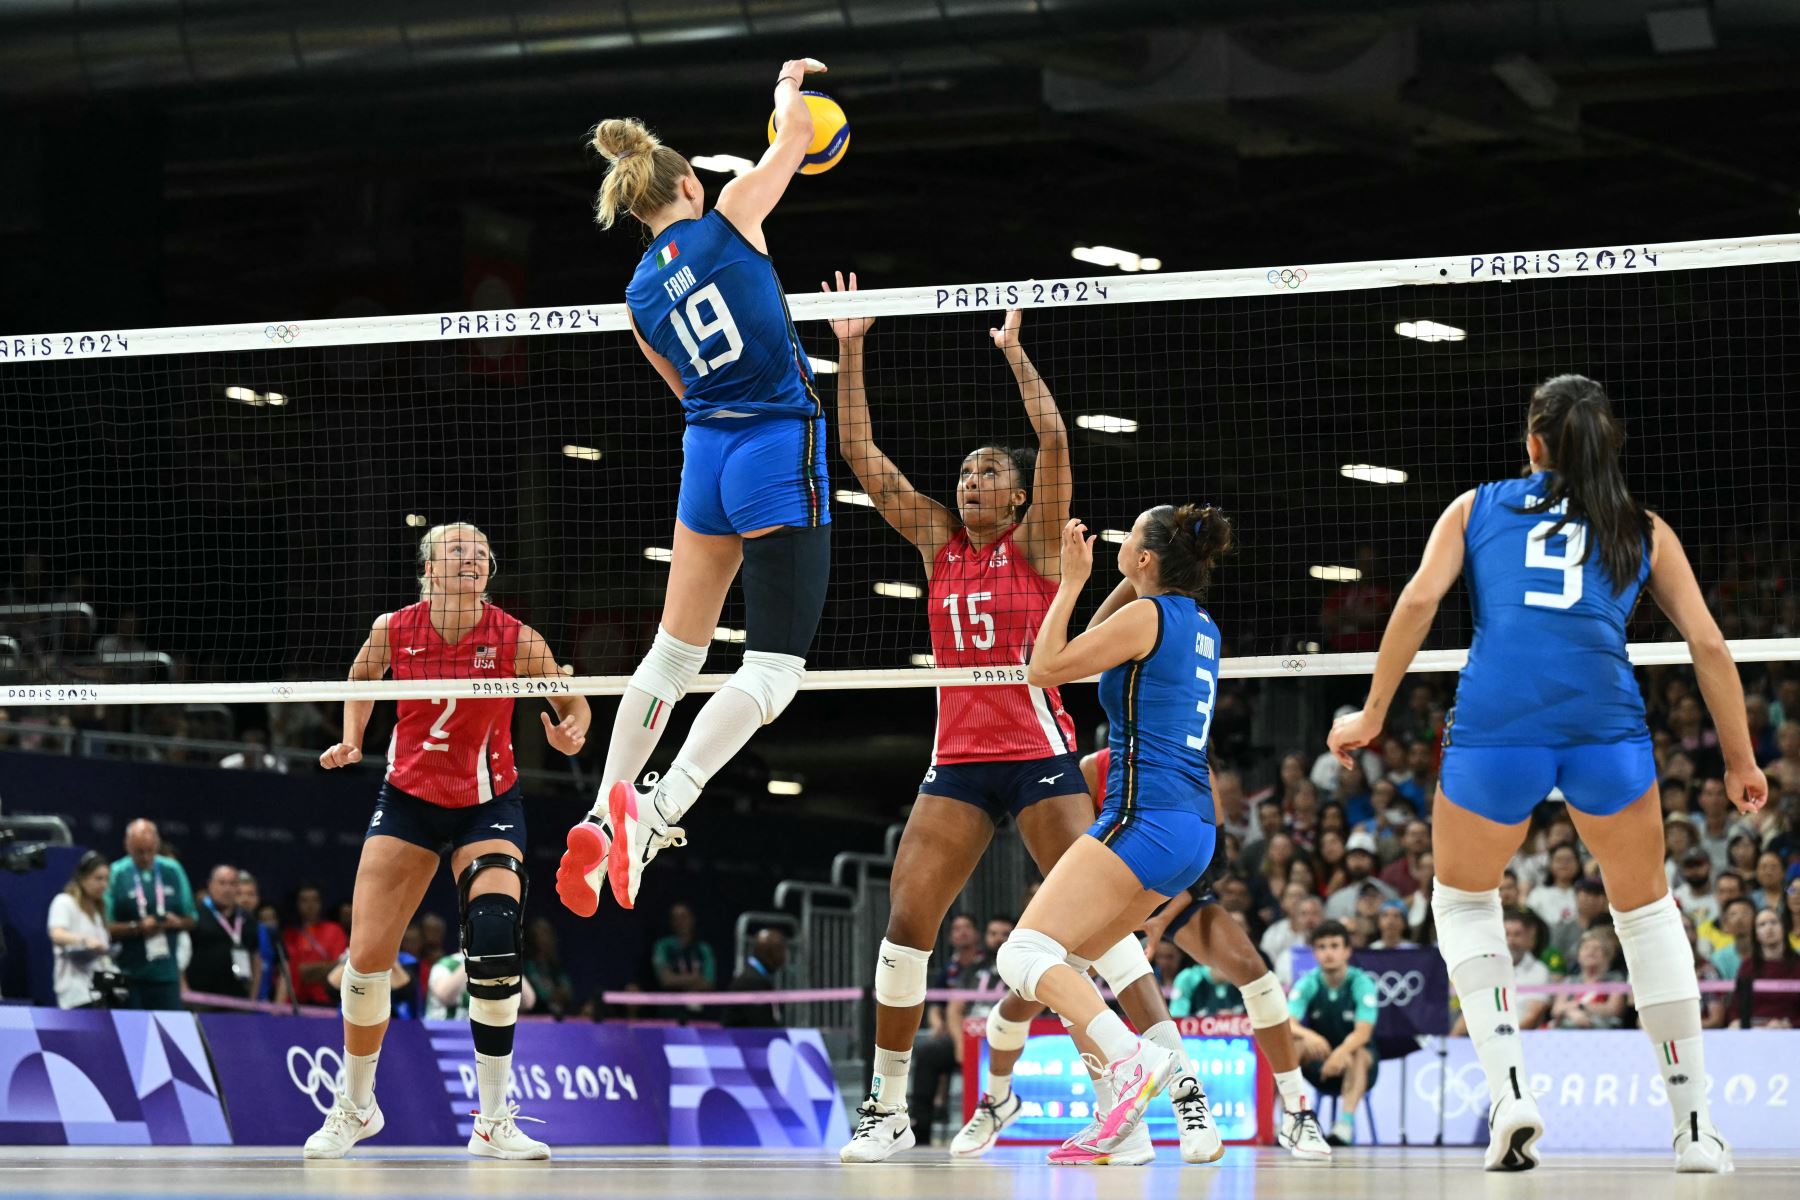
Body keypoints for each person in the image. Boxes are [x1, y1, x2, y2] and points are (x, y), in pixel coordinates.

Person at [1328, 374, 1767, 1172]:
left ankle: (1510, 1096)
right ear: (1612, 446)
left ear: (1532, 442)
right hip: (1605, 725)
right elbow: (1708, 645)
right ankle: (1696, 1127)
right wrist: (1740, 759)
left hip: (1499, 727)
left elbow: (1419, 603)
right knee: (1646, 915)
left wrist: (1371, 715)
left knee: (1462, 902)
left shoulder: (1476, 506)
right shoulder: (1645, 528)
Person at [820, 277, 1129, 1165]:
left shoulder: (1035, 545)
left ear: (1021, 499)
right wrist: (851, 348)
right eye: (965, 472)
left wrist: (1015, 354)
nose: (970, 482)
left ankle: (1122, 1093)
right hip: (957, 760)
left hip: (1039, 754)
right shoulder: (935, 543)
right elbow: (860, 450)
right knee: (904, 927)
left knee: (1090, 931)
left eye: (988, 474)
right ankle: (886, 1107)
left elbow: (1055, 437)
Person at [556, 58, 835, 916]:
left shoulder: (638, 293)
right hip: (773, 443)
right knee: (775, 670)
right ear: (688, 182)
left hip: (705, 457)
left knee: (674, 655)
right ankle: (658, 811)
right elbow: (797, 139)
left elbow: (685, 389)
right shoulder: (734, 214)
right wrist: (789, 95)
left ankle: (607, 804)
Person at [306, 521, 590, 1161]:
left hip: (488, 802)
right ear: (429, 569)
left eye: (483, 554)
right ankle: (356, 1106)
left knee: (494, 937)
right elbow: (361, 676)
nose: (474, 559)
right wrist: (353, 737)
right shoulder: (393, 629)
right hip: (408, 800)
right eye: (458, 551)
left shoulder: (515, 637)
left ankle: (493, 1121)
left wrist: (571, 729)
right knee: (365, 963)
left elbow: (576, 704)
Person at [990, 506, 1235, 1165]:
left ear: (1147, 560)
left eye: (1130, 540)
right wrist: (1126, 575)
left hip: (1142, 820)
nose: (1118, 545)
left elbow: (1044, 671)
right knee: (1066, 968)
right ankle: (1122, 1128)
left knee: (1020, 957)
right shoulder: (1198, 625)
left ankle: (1134, 1061)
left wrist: (1070, 583)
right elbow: (1100, 641)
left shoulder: (1147, 619)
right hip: (1194, 829)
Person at [1287, 921, 1379, 1146]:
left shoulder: (1361, 982)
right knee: (1292, 1045)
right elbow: (1288, 1023)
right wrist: (1312, 1037)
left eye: (1334, 946)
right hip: (1321, 1061)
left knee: (1357, 1052)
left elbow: (1363, 1032)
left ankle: (1344, 1125)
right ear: (1314, 953)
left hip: (1358, 1064)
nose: (1328, 953)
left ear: (1347, 950)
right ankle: (1289, 1118)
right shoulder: (1308, 982)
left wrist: (1341, 1053)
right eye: (1322, 947)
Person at [104, 819, 196, 1011]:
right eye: (139, 851)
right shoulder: (116, 872)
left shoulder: (173, 869)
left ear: (157, 845)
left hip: (166, 974)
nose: (146, 857)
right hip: (128, 972)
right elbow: (105, 925)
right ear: (127, 846)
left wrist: (177, 922)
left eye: (150, 850)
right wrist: (137, 928)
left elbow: (192, 918)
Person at [1452, 912, 1550, 1034]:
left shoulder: (1539, 971)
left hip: (1521, 1038)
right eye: (1506, 934)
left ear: (1528, 938)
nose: (1511, 941)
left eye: (1517, 935)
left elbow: (1533, 1016)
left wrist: (1502, 1038)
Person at [47, 851, 115, 1009]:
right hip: (75, 993)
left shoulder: (97, 912)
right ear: (82, 878)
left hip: (99, 991)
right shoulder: (64, 902)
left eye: (106, 879)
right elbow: (56, 934)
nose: (104, 884)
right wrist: (84, 940)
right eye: (98, 878)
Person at [188, 864, 260, 1002]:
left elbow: (255, 958)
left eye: (232, 884)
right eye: (222, 883)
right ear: (210, 885)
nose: (227, 889)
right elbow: (181, 955)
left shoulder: (247, 919)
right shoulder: (194, 914)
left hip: (238, 1000)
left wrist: (252, 997)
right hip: (200, 998)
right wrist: (184, 990)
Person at [282, 884, 347, 1007]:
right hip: (296, 1002)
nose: (310, 905)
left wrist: (308, 971)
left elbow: (339, 967)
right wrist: (321, 969)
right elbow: (293, 972)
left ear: (321, 903)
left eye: (314, 900)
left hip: (327, 1001)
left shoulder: (334, 930)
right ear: (297, 904)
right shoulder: (289, 934)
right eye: (304, 900)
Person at [1734, 907, 1800, 1028]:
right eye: (1762, 924)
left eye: (1774, 922)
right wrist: (1736, 1022)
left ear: (1784, 928)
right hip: (1753, 1031)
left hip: (1790, 1033)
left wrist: (1789, 1025)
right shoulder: (1747, 966)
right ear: (1756, 934)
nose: (1769, 928)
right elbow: (1736, 1006)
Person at [1549, 929, 1627, 1030]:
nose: (1590, 951)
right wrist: (1572, 1013)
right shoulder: (1570, 981)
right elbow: (1556, 1010)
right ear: (1578, 956)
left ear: (1608, 956)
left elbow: (1613, 1009)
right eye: (1586, 948)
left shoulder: (1616, 980)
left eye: (1597, 948)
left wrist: (1580, 1006)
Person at [651, 902, 717, 1018]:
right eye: (675, 918)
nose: (680, 922)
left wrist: (678, 980)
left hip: (700, 1011)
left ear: (692, 919)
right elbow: (666, 980)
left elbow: (708, 982)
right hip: (671, 1009)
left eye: (684, 917)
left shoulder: (703, 949)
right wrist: (694, 978)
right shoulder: (663, 946)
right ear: (671, 922)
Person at [723, 927, 790, 1028]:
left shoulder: (760, 978)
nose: (784, 956)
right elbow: (761, 1025)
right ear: (767, 953)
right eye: (780, 950)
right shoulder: (751, 981)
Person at [522, 919, 575, 1017]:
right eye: (542, 934)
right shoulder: (527, 967)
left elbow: (567, 993)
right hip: (535, 1019)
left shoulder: (555, 968)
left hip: (559, 1019)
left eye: (549, 934)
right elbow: (541, 996)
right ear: (532, 939)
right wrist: (552, 995)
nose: (547, 939)